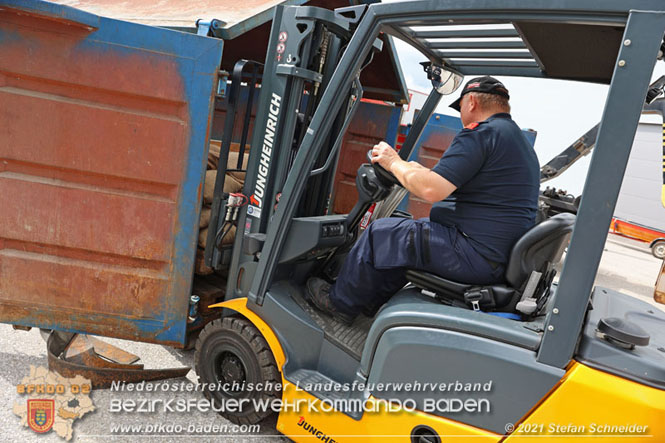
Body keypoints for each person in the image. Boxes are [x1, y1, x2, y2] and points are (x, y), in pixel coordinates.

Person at [306, 76, 540, 324]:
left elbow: (431, 191)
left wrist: (393, 162)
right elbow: (449, 181)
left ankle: (339, 303)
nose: (461, 113)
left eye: (460, 106)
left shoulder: (482, 134)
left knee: (380, 233)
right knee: (404, 231)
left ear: (471, 102)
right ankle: (370, 301)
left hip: (474, 254)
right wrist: (406, 167)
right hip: (490, 255)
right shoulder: (516, 142)